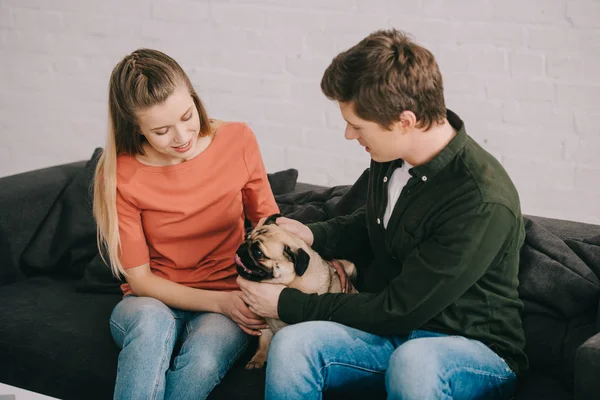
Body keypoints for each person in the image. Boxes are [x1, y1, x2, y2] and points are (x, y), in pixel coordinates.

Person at [238, 29, 528, 399]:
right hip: (392, 332)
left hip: (471, 347)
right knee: (292, 343)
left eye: (357, 126)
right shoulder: (391, 158)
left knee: (415, 360)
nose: (347, 134)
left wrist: (287, 303)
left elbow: (401, 308)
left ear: (405, 121)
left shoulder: (480, 201)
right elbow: (376, 222)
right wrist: (312, 235)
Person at [92, 48, 279, 400]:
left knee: (203, 361)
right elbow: (141, 280)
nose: (181, 137)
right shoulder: (120, 172)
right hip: (153, 299)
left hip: (229, 293)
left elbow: (268, 223)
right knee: (151, 327)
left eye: (187, 115)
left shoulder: (237, 139)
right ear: (136, 128)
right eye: (161, 130)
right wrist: (220, 303)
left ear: (194, 98)